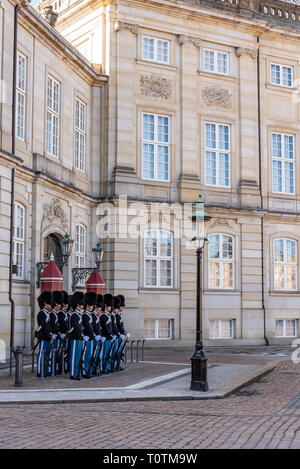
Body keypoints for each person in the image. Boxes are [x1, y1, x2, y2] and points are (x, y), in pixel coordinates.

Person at [36, 291, 55, 377]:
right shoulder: (41, 313)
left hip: (48, 337)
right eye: (49, 303)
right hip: (43, 336)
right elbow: (44, 325)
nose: (50, 305)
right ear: (44, 303)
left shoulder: (48, 313)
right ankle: (40, 371)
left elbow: (51, 324)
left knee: (48, 354)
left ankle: (47, 370)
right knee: (41, 354)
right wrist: (50, 332)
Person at [69, 291, 85, 380]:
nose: (82, 306)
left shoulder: (78, 314)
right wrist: (82, 334)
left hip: (79, 337)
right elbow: (76, 327)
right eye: (81, 304)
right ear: (78, 304)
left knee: (78, 356)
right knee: (74, 355)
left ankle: (76, 371)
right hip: (75, 337)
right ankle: (72, 373)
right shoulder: (74, 315)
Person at [82, 292, 97, 378]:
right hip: (87, 337)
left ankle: (89, 370)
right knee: (86, 355)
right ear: (87, 305)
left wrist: (94, 334)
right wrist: (92, 334)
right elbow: (87, 326)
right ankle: (85, 371)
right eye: (91, 305)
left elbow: (92, 326)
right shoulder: (85, 315)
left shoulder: (89, 315)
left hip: (91, 337)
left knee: (90, 355)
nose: (93, 307)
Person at [49, 290, 64, 375]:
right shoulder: (52, 314)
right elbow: (53, 326)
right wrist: (57, 333)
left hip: (58, 336)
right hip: (54, 336)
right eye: (58, 304)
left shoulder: (57, 314)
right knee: (53, 354)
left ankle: (56, 368)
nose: (59, 306)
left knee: (57, 354)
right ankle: (52, 369)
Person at [100, 293, 114, 373]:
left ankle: (107, 367)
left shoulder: (108, 315)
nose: (110, 307)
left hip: (109, 337)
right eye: (109, 305)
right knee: (104, 354)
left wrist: (111, 335)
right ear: (105, 305)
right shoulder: (104, 316)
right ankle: (103, 368)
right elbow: (105, 327)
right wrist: (110, 334)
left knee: (108, 354)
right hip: (105, 337)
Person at [91, 294, 104, 376]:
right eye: (98, 307)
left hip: (97, 337)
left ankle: (96, 369)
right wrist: (96, 335)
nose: (100, 309)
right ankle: (93, 370)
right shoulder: (92, 315)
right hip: (94, 337)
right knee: (93, 354)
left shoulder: (96, 316)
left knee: (98, 355)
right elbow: (93, 327)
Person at [57, 291, 69, 374]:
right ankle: (59, 367)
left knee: (64, 352)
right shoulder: (60, 313)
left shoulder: (65, 313)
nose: (66, 306)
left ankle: (63, 367)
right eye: (65, 304)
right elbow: (60, 325)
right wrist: (60, 333)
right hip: (61, 335)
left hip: (65, 335)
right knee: (60, 352)